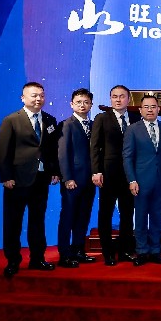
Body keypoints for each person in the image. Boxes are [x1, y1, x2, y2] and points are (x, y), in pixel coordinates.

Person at [0, 82, 61, 277]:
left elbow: (52, 150)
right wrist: (6, 176)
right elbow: (2, 151)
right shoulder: (11, 120)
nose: (38, 99)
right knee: (13, 222)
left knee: (38, 221)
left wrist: (55, 171)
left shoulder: (49, 120)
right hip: (17, 180)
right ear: (23, 98)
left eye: (41, 95)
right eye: (34, 95)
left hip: (41, 179)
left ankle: (37, 258)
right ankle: (13, 261)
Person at [90, 84, 140, 266]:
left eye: (122, 96)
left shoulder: (136, 118)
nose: (118, 100)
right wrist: (96, 171)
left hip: (130, 175)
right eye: (114, 96)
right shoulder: (102, 118)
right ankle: (108, 253)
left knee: (127, 214)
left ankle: (125, 251)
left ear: (129, 99)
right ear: (110, 99)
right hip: (108, 174)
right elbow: (94, 146)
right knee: (106, 214)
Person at [122, 94, 161, 266]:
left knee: (157, 217)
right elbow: (127, 157)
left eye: (153, 107)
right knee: (140, 218)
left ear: (158, 109)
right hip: (140, 182)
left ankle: (155, 250)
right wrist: (132, 180)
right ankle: (141, 251)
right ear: (140, 110)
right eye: (146, 107)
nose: (150, 110)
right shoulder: (133, 129)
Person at [56, 88, 97, 268]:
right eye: (79, 102)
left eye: (86, 102)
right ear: (72, 104)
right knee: (68, 217)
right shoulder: (67, 125)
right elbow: (63, 154)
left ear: (91, 105)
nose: (82, 105)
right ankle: (64, 255)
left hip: (89, 180)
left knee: (83, 217)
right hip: (72, 180)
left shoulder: (94, 125)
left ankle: (78, 250)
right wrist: (67, 178)